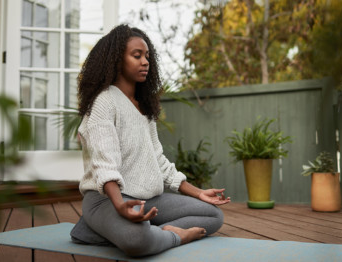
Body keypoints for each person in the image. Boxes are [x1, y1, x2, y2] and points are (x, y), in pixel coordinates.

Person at [70, 24, 231, 257]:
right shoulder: (103, 102)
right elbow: (104, 164)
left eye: (147, 56)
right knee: (138, 239)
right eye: (137, 56)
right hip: (106, 200)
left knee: (213, 216)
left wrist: (198, 193)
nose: (145, 61)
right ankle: (171, 235)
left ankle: (113, 230)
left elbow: (158, 161)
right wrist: (120, 207)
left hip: (148, 198)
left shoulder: (143, 108)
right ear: (116, 60)